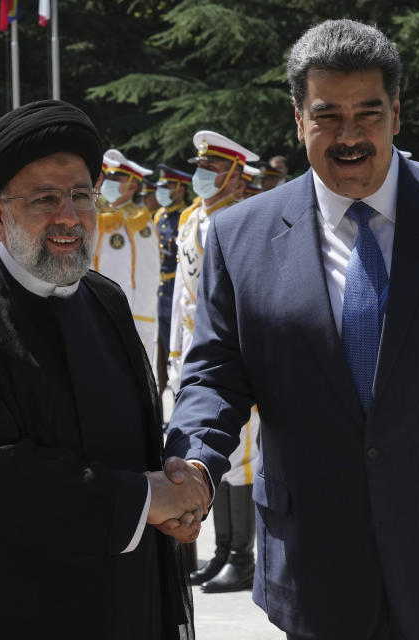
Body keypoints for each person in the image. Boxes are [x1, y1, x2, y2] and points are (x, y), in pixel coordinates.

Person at [163, 20, 419, 639]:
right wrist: (194, 462)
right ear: (298, 117)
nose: (350, 135)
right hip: (317, 571)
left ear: (397, 113)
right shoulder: (238, 236)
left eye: (369, 112)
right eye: (327, 115)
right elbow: (216, 374)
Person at [0, 99, 201, 639]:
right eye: (44, 199)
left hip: (119, 603)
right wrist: (143, 500)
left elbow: (139, 440)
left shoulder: (106, 301)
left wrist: (177, 490)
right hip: (5, 609)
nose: (68, 216)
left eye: (81, 196)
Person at [168, 130, 262, 594]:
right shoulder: (192, 221)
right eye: (200, 167)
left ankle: (242, 556)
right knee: (209, 456)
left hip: (233, 360)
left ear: (235, 175)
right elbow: (183, 302)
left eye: (212, 169)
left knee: (240, 459)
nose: (202, 175)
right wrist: (174, 355)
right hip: (196, 353)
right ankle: (223, 549)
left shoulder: (243, 223)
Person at [93, 149, 159, 366]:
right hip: (94, 312)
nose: (108, 181)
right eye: (108, 176)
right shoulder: (96, 215)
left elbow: (147, 274)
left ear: (132, 185)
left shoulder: (138, 222)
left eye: (116, 178)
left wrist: (139, 320)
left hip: (130, 317)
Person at [153, 164, 191, 400]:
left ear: (179, 189)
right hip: (161, 292)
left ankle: (180, 396)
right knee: (163, 347)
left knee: (178, 349)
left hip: (178, 289)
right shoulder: (159, 216)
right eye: (162, 185)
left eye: (168, 185)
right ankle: (160, 396)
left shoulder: (184, 217)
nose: (163, 190)